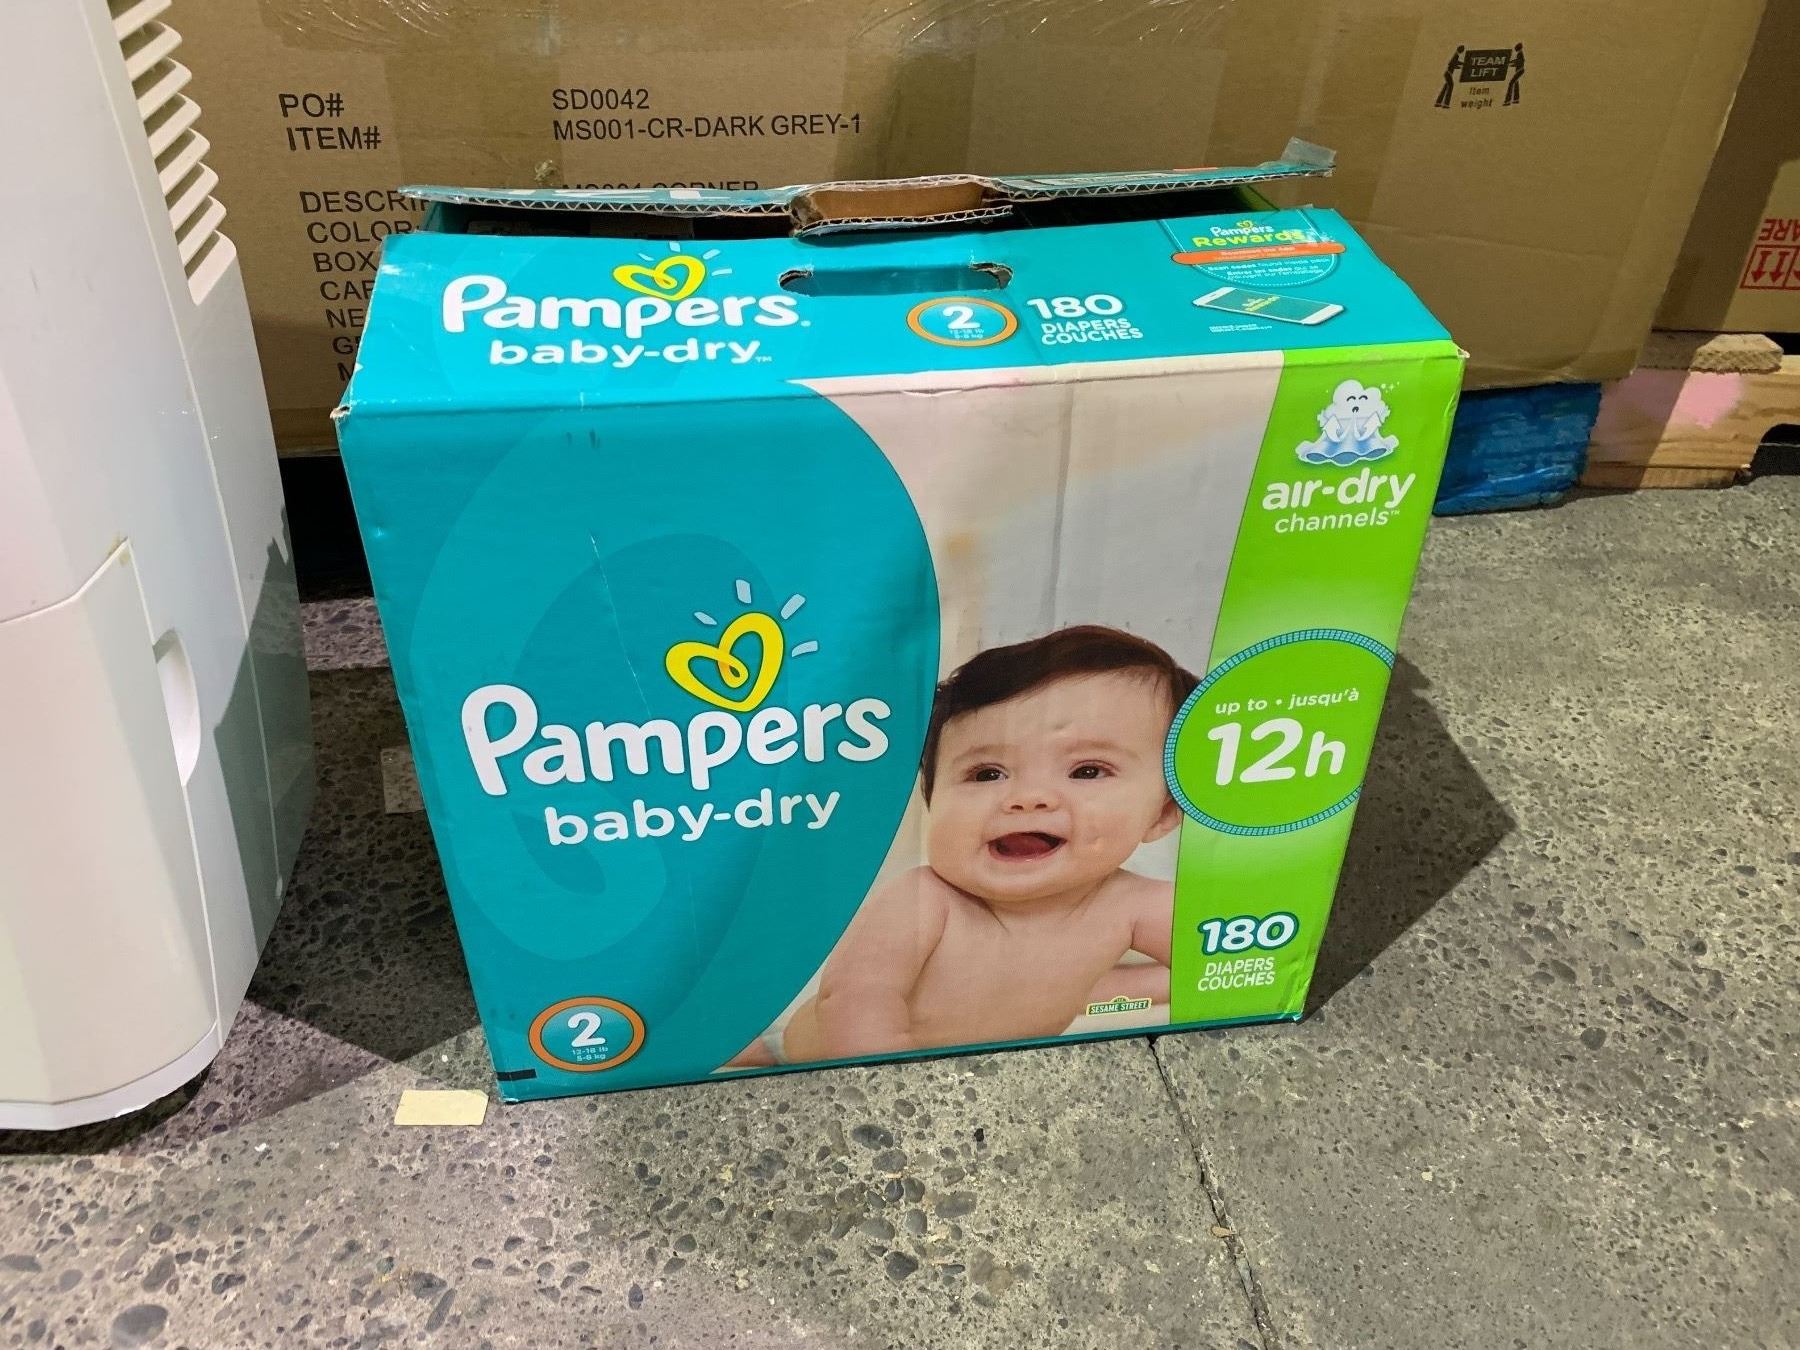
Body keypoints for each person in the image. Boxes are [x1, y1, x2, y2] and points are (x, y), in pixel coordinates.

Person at [728, 626, 1195, 1067]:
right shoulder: (925, 900)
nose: (1028, 798)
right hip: (815, 1053)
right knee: (731, 1051)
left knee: (1122, 987)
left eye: (1086, 771)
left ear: (1162, 813)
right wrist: (895, 1081)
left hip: (1002, 1044)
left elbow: (1220, 958)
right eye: (986, 774)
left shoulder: (1135, 904)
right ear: (931, 800)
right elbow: (854, 997)